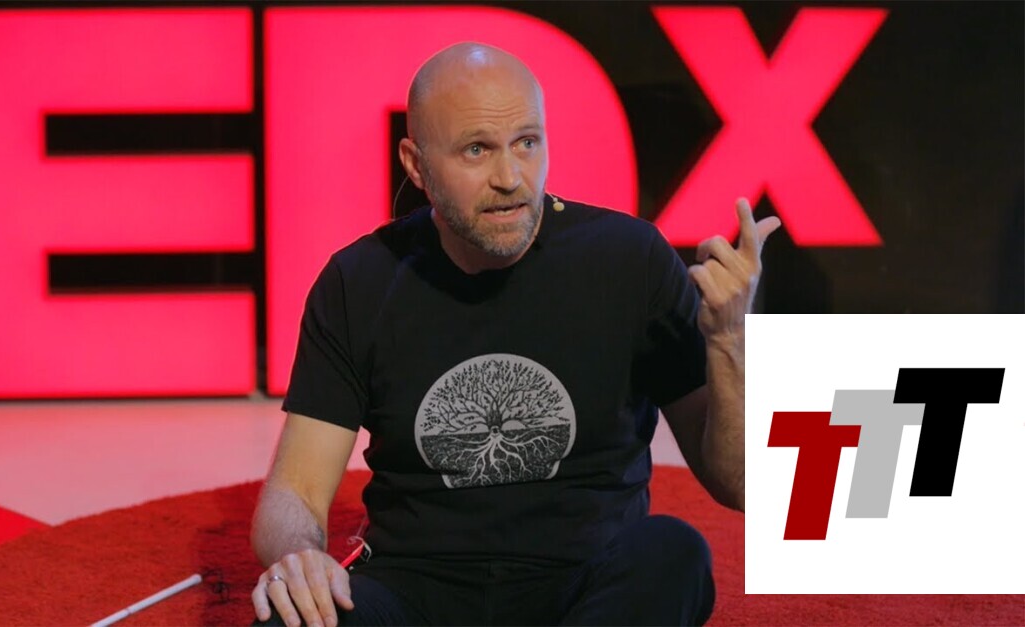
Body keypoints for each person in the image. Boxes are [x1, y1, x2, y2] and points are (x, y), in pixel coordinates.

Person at [250, 41, 780, 627]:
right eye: (476, 150)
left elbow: (740, 483)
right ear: (416, 165)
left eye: (527, 143)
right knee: (289, 612)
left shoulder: (631, 260)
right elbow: (294, 493)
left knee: (674, 554)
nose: (510, 178)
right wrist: (298, 556)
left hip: (586, 587)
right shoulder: (359, 280)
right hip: (415, 589)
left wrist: (729, 340)